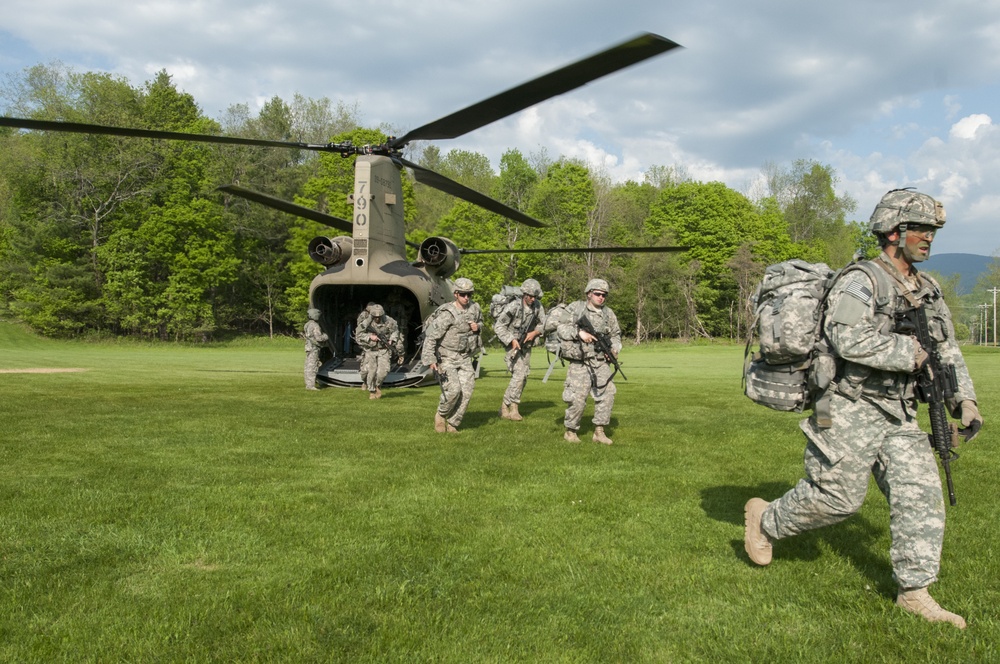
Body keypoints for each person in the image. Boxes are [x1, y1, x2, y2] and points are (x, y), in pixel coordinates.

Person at [744, 189, 984, 629]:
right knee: (836, 500)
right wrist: (906, 353)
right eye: (922, 230)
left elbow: (945, 349)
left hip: (900, 411)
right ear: (895, 232)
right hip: (847, 407)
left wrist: (963, 400)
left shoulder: (927, 288)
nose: (929, 238)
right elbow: (844, 336)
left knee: (922, 499)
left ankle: (914, 592)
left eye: (932, 231)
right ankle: (765, 520)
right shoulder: (862, 280)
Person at [556, 278, 622, 444]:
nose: (601, 297)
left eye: (604, 295)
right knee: (577, 398)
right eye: (598, 294)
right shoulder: (576, 309)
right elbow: (561, 328)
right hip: (580, 362)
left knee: (608, 394)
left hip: (600, 362)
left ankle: (599, 432)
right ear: (589, 294)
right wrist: (579, 333)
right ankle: (570, 431)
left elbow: (616, 335)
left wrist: (614, 349)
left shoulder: (609, 314)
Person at [420, 277, 482, 433]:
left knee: (467, 391)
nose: (466, 297)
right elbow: (431, 336)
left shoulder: (475, 308)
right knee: (453, 390)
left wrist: (478, 326)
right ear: (455, 294)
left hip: (464, 356)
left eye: (469, 294)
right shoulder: (448, 313)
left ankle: (454, 423)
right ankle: (441, 415)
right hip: (446, 356)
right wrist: (430, 359)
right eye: (463, 294)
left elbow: (481, 323)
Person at [495, 278, 546, 421]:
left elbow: (545, 324)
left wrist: (535, 333)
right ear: (524, 294)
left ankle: (505, 406)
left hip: (527, 346)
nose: (532, 299)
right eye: (530, 296)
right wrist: (511, 340)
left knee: (523, 378)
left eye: (535, 296)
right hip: (512, 346)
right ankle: (512, 407)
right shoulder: (513, 306)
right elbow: (499, 326)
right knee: (519, 374)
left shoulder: (538, 307)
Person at [355, 303, 405, 399]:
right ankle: (371, 390)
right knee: (369, 372)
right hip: (370, 350)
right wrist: (369, 337)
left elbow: (395, 331)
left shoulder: (389, 321)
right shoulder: (366, 322)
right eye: (375, 317)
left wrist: (392, 339)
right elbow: (358, 335)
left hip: (383, 350)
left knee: (383, 372)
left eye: (379, 316)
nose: (377, 319)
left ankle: (377, 386)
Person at [303, 308, 328, 390]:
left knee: (308, 365)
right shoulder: (315, 325)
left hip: (309, 347)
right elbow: (319, 338)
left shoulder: (307, 324)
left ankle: (309, 383)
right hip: (314, 348)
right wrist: (325, 336)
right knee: (312, 366)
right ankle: (311, 385)